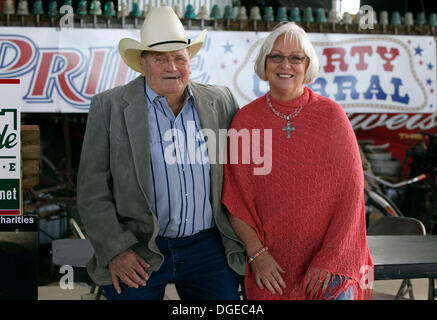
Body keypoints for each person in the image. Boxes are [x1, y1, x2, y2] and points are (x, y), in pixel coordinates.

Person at [77, 6, 246, 300]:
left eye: (179, 58)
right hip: (139, 246)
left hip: (209, 245)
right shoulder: (110, 107)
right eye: (160, 59)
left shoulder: (220, 101)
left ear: (189, 61)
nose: (172, 67)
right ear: (142, 64)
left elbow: (243, 173)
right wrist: (116, 249)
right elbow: (92, 191)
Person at [222, 22, 374, 300]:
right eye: (276, 56)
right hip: (271, 265)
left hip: (331, 265)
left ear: (307, 65)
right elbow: (235, 201)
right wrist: (257, 255)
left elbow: (352, 198)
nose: (285, 65)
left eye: (295, 58)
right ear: (264, 62)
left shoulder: (332, 116)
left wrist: (331, 259)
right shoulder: (245, 121)